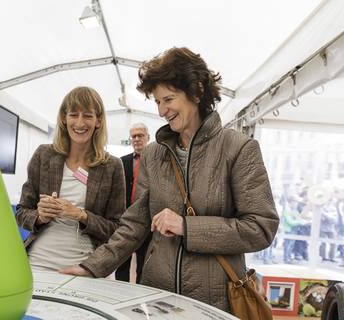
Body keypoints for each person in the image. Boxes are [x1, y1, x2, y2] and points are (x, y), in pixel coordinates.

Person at [60, 47, 279, 313]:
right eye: (157, 102)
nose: (162, 111)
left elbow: (261, 227)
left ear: (197, 91)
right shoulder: (154, 154)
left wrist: (187, 227)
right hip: (156, 298)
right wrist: (91, 266)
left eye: (168, 99)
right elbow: (134, 225)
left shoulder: (239, 149)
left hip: (213, 303)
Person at [15, 86, 126, 271]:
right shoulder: (44, 155)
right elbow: (21, 213)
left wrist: (81, 215)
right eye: (74, 115)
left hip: (86, 265)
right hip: (38, 261)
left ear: (98, 121)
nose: (80, 123)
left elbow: (117, 228)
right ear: (63, 118)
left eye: (88, 116)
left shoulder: (111, 166)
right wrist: (40, 216)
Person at [115, 123, 151, 283]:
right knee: (121, 261)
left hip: (147, 222)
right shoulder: (121, 162)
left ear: (148, 137)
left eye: (140, 135)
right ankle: (119, 296)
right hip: (125, 220)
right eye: (134, 136)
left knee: (143, 264)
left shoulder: (155, 162)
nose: (137, 139)